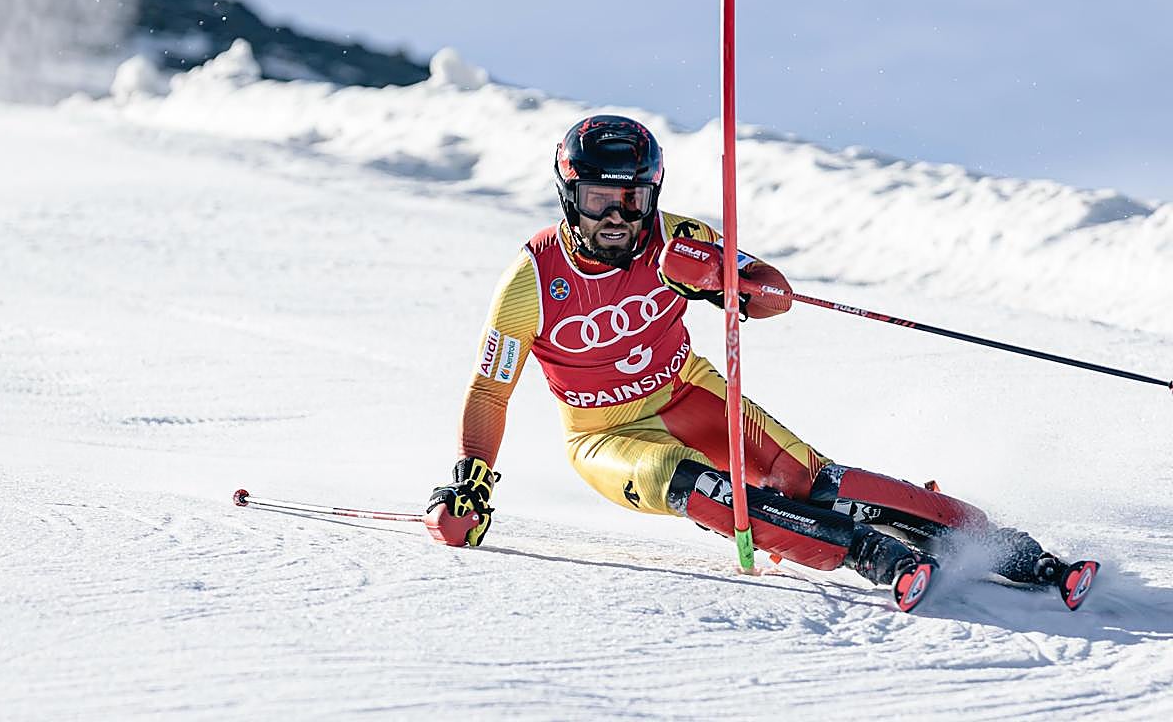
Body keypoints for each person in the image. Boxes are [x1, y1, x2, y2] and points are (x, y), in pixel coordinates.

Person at [426, 114, 1097, 612]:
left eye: (631, 198)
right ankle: (866, 553)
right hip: (605, 434)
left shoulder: (676, 239)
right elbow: (490, 388)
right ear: (570, 195)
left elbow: (773, 295)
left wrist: (728, 279)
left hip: (686, 391)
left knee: (806, 477)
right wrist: (470, 480)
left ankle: (1002, 545)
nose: (616, 216)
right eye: (600, 198)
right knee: (692, 483)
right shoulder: (532, 278)